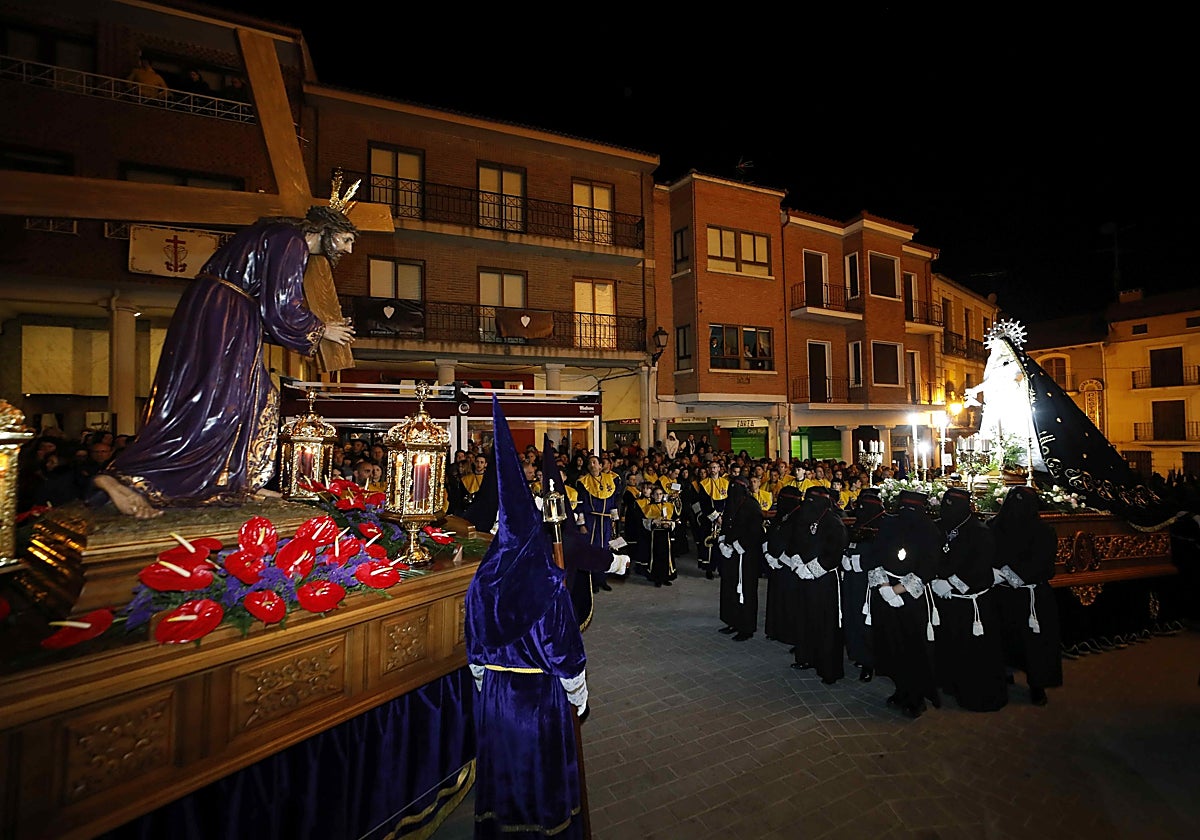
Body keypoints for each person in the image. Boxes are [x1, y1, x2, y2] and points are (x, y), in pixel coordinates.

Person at [91, 177, 358, 518]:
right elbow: (281, 303)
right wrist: (322, 330)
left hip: (225, 314)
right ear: (326, 229)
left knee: (257, 395)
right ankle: (130, 477)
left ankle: (235, 481)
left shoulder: (275, 238)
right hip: (223, 314)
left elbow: (269, 312)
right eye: (347, 239)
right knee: (214, 400)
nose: (348, 249)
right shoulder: (290, 241)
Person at [466, 398, 589, 839]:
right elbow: (565, 649)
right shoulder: (548, 580)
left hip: (498, 696)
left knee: (502, 769)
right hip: (538, 696)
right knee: (541, 771)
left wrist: (485, 680)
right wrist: (578, 689)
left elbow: (475, 648)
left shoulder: (482, 578)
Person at [929, 487, 1008, 712]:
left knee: (972, 652)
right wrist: (935, 578)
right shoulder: (939, 527)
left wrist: (952, 583)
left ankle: (973, 692)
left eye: (953, 505)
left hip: (970, 603)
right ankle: (950, 683)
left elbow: (980, 567)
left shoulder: (979, 532)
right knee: (948, 645)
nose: (947, 510)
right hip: (945, 600)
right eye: (945, 504)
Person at [868, 489, 942, 718]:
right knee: (892, 644)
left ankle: (915, 697)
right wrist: (883, 587)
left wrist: (900, 590)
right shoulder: (890, 525)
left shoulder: (929, 529)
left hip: (912, 597)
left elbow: (929, 565)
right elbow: (875, 555)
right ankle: (900, 688)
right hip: (887, 591)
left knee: (913, 647)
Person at [989, 484, 1063, 705]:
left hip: (1031, 595)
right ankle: (1004, 672)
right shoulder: (994, 526)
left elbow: (1043, 563)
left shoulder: (1043, 531)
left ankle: (1037, 684)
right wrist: (996, 572)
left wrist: (1010, 575)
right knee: (1004, 637)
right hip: (1002, 595)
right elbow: (988, 552)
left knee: (1035, 643)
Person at [789, 485, 848, 684]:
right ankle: (806, 657)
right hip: (803, 578)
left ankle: (828, 668)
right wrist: (797, 563)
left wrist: (813, 569)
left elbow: (835, 552)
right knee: (804, 618)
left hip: (824, 580)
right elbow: (795, 542)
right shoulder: (804, 519)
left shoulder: (833, 523)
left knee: (826, 624)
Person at [842, 488, 887, 682]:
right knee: (851, 615)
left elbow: (884, 555)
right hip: (851, 579)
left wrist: (863, 564)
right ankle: (857, 653)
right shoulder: (858, 525)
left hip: (868, 582)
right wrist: (844, 557)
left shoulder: (881, 528)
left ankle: (870, 660)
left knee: (866, 620)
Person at [715, 479, 763, 641]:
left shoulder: (752, 505)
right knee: (729, 588)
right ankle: (732, 621)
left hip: (745, 556)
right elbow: (725, 525)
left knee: (745, 590)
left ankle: (746, 627)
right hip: (730, 554)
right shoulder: (730, 503)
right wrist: (722, 542)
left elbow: (756, 531)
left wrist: (739, 545)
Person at [576, 454, 620, 593]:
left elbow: (613, 502)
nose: (592, 465)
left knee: (605, 549)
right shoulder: (583, 483)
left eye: (595, 462)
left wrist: (614, 520)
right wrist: (581, 524)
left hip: (606, 520)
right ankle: (592, 581)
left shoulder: (611, 480)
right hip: (591, 520)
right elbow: (580, 506)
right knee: (592, 549)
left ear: (601, 466)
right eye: (589, 463)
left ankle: (603, 579)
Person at [696, 460, 729, 580]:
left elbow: (728, 502)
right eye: (711, 468)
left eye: (715, 467)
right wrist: (716, 517)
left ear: (719, 468)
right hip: (710, 518)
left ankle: (722, 568)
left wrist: (724, 516)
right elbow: (704, 503)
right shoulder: (704, 484)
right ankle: (709, 569)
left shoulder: (726, 483)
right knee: (709, 544)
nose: (713, 470)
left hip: (724, 518)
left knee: (722, 543)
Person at [641, 483, 679, 587]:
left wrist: (670, 524)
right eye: (656, 494)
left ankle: (666, 577)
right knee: (656, 556)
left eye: (661, 494)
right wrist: (653, 522)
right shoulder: (648, 507)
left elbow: (675, 520)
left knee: (667, 555)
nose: (659, 496)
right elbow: (644, 522)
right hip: (655, 535)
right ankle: (657, 578)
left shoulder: (669, 506)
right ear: (652, 495)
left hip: (666, 534)